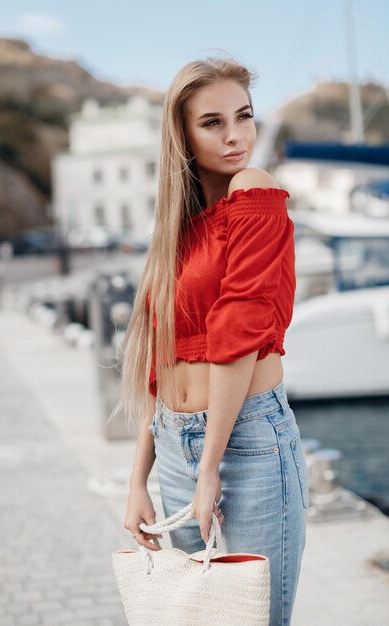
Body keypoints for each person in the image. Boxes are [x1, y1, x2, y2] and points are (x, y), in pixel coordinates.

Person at [115, 55, 309, 626]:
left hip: (246, 446)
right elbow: (161, 361)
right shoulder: (179, 229)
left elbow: (238, 333)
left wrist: (211, 470)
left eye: (243, 117)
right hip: (176, 449)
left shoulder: (254, 191)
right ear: (180, 135)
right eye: (212, 122)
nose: (235, 136)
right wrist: (138, 480)